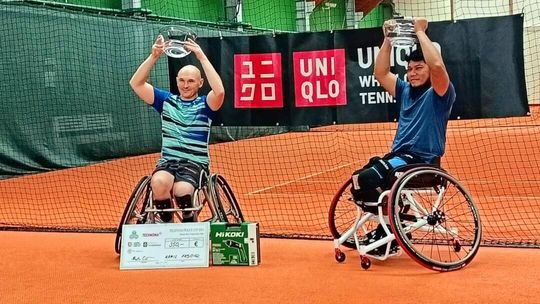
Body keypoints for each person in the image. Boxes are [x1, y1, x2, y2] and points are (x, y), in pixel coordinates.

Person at [350, 17, 456, 250]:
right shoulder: (405, 90)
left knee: (369, 179)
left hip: (421, 160)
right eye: (409, 69)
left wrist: (420, 32)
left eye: (419, 68)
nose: (412, 73)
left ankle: (391, 230)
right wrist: (388, 40)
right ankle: (391, 224)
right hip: (399, 157)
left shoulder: (440, 93)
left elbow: (437, 67)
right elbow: (380, 72)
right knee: (359, 179)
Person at [129, 35, 225, 223]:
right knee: (158, 183)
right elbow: (136, 83)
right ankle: (167, 225)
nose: (185, 85)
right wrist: (154, 56)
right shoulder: (166, 101)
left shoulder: (206, 105)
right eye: (182, 80)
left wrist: (201, 56)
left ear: (200, 83)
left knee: (182, 191)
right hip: (168, 162)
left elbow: (220, 91)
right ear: (177, 80)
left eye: (190, 81)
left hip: (195, 163)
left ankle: (189, 221)